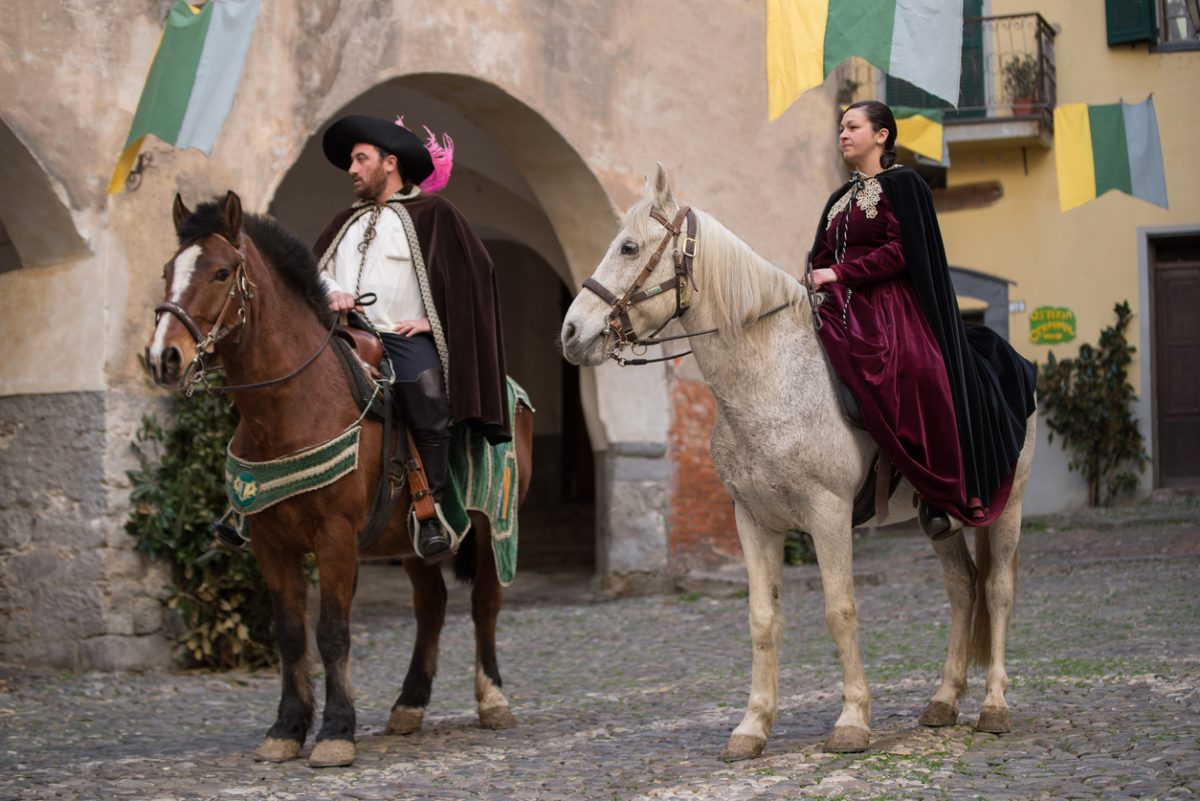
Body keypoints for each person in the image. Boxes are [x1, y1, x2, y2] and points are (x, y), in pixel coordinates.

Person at [806, 100, 1036, 538]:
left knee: (920, 372)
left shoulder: (905, 184)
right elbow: (820, 255)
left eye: (852, 126)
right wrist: (815, 277)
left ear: (881, 135)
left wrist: (840, 272)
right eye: (840, 127)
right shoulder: (840, 199)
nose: (842, 134)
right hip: (836, 302)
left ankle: (944, 490)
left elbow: (903, 250)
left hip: (891, 305)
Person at [313, 114, 510, 562]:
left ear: (390, 163)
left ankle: (432, 509)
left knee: (426, 391)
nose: (352, 169)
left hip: (399, 335)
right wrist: (332, 292)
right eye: (351, 161)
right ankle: (255, 500)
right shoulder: (343, 221)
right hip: (340, 334)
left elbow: (473, 276)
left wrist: (432, 318)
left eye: (361, 159)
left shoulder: (435, 214)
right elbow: (314, 271)